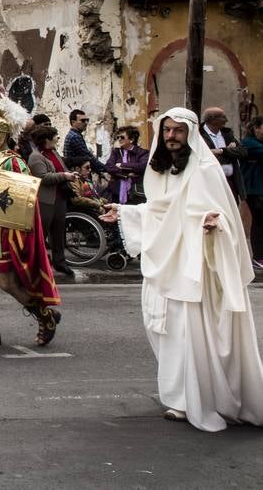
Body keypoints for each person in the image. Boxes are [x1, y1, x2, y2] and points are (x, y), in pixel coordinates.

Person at [100, 108, 263, 431]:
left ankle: (195, 400)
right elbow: (161, 210)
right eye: (167, 130)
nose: (171, 136)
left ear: (190, 133)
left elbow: (221, 214)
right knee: (164, 330)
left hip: (194, 266)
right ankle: (179, 396)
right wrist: (124, 213)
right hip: (164, 265)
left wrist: (212, 222)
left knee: (191, 334)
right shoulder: (161, 168)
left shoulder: (204, 168)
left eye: (178, 131)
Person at [0, 99, 61, 347]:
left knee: (6, 281)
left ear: (3, 133)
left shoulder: (14, 161)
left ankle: (45, 315)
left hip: (3, 230)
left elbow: (24, 199)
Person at [26, 123, 77, 277]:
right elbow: (42, 178)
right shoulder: (36, 157)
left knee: (59, 232)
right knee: (42, 233)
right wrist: (65, 176)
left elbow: (62, 168)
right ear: (46, 139)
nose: (57, 138)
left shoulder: (53, 152)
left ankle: (60, 262)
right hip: (45, 201)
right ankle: (36, 264)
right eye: (54, 136)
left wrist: (69, 174)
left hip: (60, 198)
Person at [200, 107, 250, 254]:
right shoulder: (200, 135)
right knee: (214, 213)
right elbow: (204, 155)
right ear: (212, 120)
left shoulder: (227, 134)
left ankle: (230, 246)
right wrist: (227, 151)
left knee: (231, 212)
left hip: (230, 182)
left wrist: (222, 151)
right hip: (210, 183)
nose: (226, 120)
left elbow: (243, 152)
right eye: (222, 117)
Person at [105, 126, 149, 205]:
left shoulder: (142, 153)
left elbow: (141, 166)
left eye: (122, 137)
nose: (119, 139)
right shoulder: (116, 152)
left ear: (131, 139)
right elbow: (109, 167)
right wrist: (126, 174)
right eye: (117, 137)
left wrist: (121, 165)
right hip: (116, 192)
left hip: (135, 193)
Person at [241, 116, 263, 267]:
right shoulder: (249, 143)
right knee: (260, 222)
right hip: (255, 190)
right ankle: (259, 257)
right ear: (256, 128)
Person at [63, 109, 107, 176]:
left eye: (87, 120)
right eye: (83, 120)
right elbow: (87, 156)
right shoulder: (75, 137)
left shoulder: (75, 135)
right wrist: (106, 169)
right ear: (73, 122)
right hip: (77, 174)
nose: (86, 122)